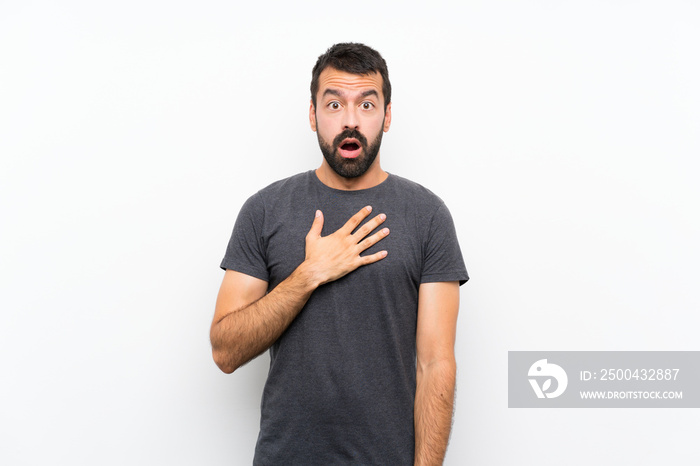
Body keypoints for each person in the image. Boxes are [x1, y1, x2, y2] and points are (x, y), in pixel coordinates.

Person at [210, 43, 469, 465]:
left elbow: (435, 364)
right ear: (313, 115)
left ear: (387, 116)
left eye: (367, 104)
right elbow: (225, 351)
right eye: (334, 104)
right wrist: (309, 274)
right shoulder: (265, 210)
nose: (350, 121)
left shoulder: (427, 216)